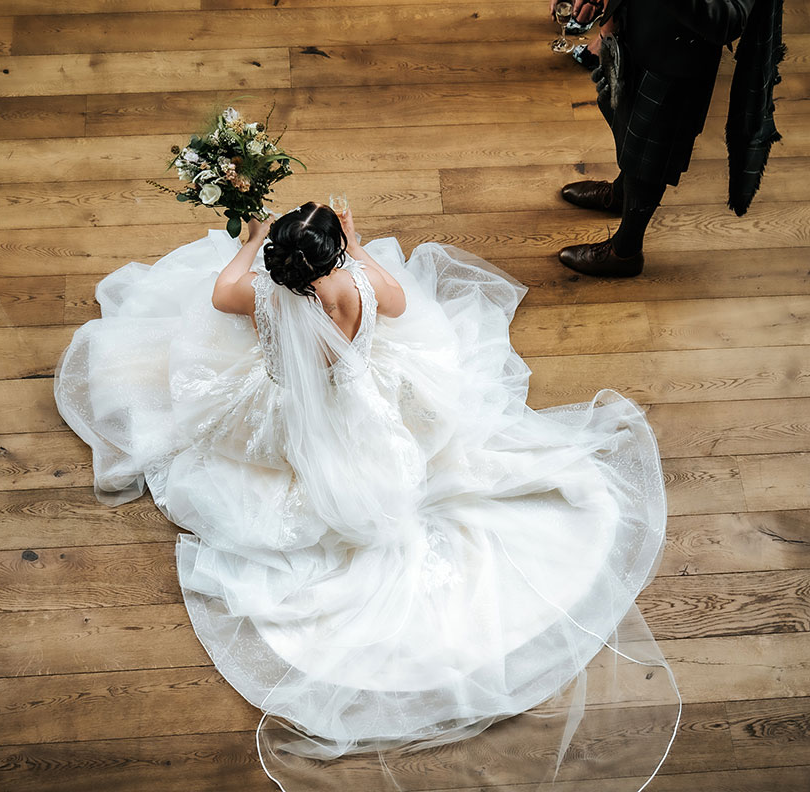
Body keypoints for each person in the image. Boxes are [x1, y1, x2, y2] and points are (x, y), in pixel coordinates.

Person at [54, 204, 676, 789]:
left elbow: (221, 292)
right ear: (333, 257)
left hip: (298, 414)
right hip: (364, 405)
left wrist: (247, 243)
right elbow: (401, 303)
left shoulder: (264, 297)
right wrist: (357, 249)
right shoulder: (356, 288)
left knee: (209, 396)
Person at [552, 0, 784, 277]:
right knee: (628, 127)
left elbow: (729, 18)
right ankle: (623, 193)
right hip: (634, 27)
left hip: (678, 57)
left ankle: (625, 251)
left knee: (652, 157)